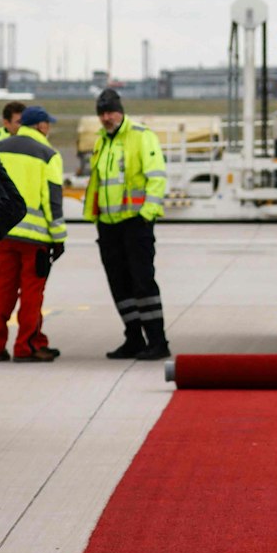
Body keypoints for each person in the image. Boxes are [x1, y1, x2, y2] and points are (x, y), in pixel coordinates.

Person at [84, 88, 171, 360]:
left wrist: (147, 214)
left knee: (142, 282)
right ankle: (133, 337)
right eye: (102, 114)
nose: (106, 118)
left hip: (136, 222)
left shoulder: (141, 137)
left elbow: (156, 177)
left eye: (110, 112)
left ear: (120, 112)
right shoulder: (102, 141)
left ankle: (157, 340)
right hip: (108, 225)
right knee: (119, 284)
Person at [0, 106, 66, 362]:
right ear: (41, 126)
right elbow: (52, 201)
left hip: (3, 234)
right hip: (35, 239)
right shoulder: (49, 154)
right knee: (32, 293)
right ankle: (26, 346)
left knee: (2, 291)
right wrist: (59, 237)